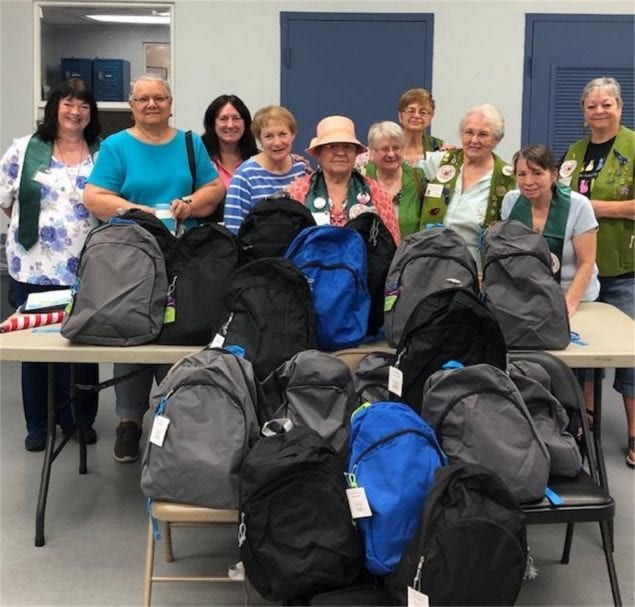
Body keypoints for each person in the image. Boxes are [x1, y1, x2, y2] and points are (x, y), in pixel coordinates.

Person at [84, 73, 225, 463]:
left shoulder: (189, 143)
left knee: (177, 332)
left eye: (159, 98)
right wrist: (139, 211)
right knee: (130, 331)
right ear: (132, 106)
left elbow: (214, 190)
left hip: (182, 257)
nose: (151, 105)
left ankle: (175, 415)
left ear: (170, 103)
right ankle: (129, 423)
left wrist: (191, 203)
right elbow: (94, 196)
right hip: (131, 257)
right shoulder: (116, 146)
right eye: (143, 99)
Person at [0, 79, 101, 451]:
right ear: (54, 107)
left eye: (84, 106)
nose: (75, 112)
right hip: (33, 266)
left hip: (86, 268)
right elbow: (5, 197)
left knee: (83, 344)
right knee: (37, 347)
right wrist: (32, 228)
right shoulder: (25, 149)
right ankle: (39, 423)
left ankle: (78, 418)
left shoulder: (101, 152)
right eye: (68, 103)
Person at [560, 76, 635, 468]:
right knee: (582, 349)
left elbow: (584, 207)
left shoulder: (633, 146)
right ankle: (586, 424)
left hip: (624, 267)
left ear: (620, 107)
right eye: (592, 106)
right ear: (584, 112)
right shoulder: (574, 151)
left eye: (607, 104)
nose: (599, 111)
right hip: (579, 272)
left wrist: (596, 209)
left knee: (631, 355)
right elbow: (560, 200)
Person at [501, 144, 600, 315]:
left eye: (537, 173)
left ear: (553, 175)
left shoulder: (579, 205)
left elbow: (586, 262)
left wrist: (568, 304)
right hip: (527, 297)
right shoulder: (510, 201)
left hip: (574, 298)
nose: (528, 181)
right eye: (521, 174)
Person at [417, 104, 516, 269]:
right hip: (429, 264)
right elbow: (404, 174)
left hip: (474, 271)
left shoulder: (507, 179)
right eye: (469, 132)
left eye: (483, 134)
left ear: (497, 139)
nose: (474, 140)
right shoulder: (441, 161)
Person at [286, 115, 400, 244]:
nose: (340, 153)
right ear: (318, 153)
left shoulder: (376, 192)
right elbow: (288, 244)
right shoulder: (298, 192)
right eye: (331, 146)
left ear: (355, 153)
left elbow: (392, 244)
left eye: (347, 146)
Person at [223, 105, 309, 234]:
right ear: (260, 140)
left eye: (283, 134)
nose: (277, 142)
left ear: (293, 135)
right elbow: (233, 229)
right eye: (269, 136)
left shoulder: (302, 169)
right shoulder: (245, 175)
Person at [361, 121, 426, 238]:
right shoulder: (361, 178)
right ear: (372, 152)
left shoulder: (418, 178)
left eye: (396, 148)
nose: (391, 154)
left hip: (409, 253)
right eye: (385, 149)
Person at [201, 94, 259, 221]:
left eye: (236, 118)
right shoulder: (199, 159)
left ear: (246, 123)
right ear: (212, 123)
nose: (230, 125)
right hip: (209, 235)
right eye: (223, 119)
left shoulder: (259, 161)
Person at [398, 88, 446, 167]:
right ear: (400, 116)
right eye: (411, 111)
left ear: (430, 118)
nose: (416, 116)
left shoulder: (439, 148)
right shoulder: (387, 146)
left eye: (422, 112)